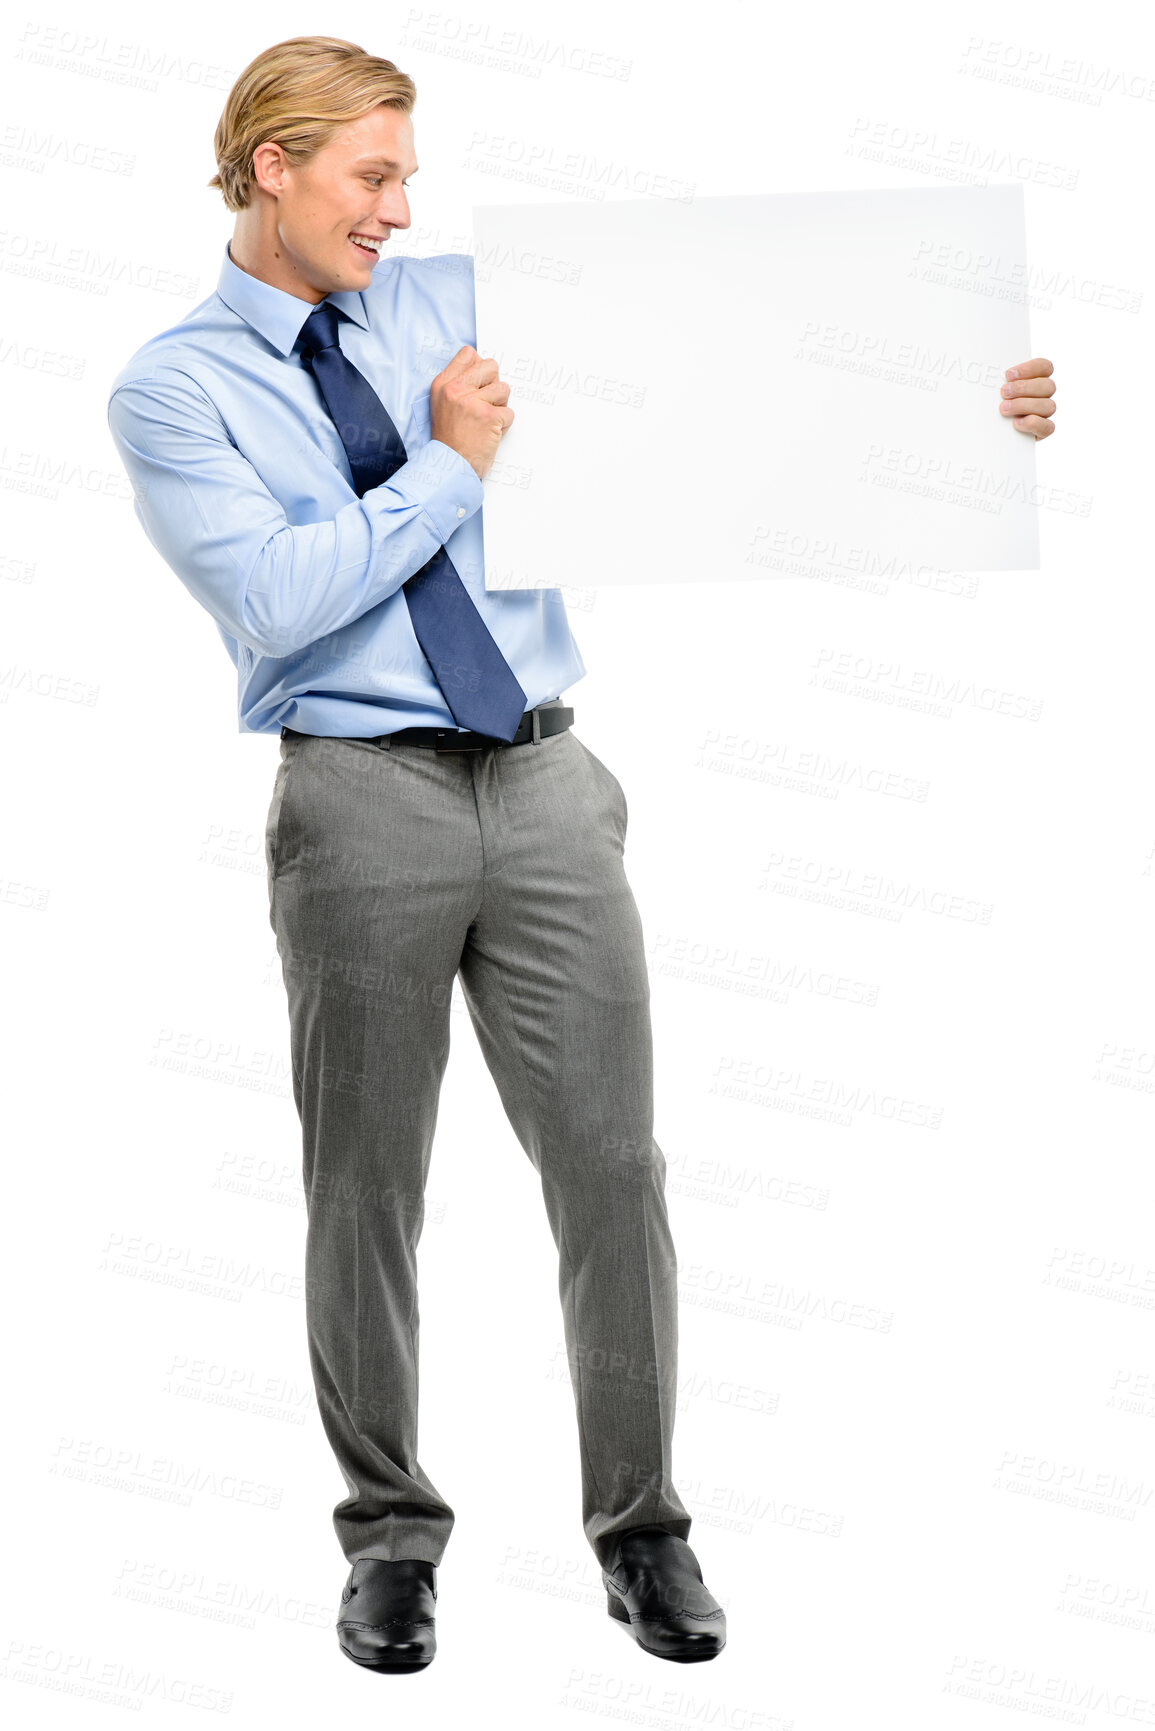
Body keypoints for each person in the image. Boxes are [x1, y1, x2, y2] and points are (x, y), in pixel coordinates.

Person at [107, 34, 1058, 1677]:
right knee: (366, 1190)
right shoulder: (174, 385)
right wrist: (447, 468)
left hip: (547, 785)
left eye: (408, 174)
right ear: (273, 166)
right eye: (374, 175)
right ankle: (390, 1537)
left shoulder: (461, 301)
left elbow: (727, 365)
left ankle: (645, 1529)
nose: (402, 210)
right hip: (357, 797)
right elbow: (272, 598)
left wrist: (960, 397)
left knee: (615, 1170)